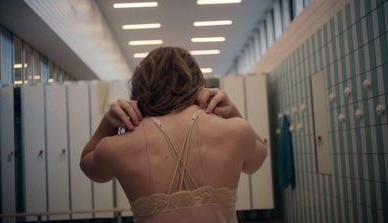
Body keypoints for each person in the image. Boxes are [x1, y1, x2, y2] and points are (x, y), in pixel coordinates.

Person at [80, 46, 267, 223]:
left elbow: (88, 165)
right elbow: (257, 158)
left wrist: (107, 122)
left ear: (140, 86)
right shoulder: (236, 131)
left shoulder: (116, 147)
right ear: (198, 84)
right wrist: (232, 110)